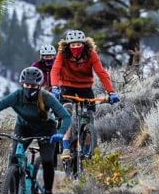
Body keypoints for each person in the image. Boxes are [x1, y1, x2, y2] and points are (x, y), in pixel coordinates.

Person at [0, 67, 71, 194]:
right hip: (24, 128)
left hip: (46, 129)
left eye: (33, 85)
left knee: (47, 161)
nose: (29, 88)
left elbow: (66, 116)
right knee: (14, 159)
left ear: (39, 85)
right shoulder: (17, 95)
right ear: (22, 84)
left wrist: (60, 133)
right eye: (27, 85)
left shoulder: (46, 97)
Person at [50, 29, 120, 161]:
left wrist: (111, 92)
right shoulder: (62, 53)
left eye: (78, 44)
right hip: (67, 86)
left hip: (85, 87)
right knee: (67, 113)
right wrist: (54, 86)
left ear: (84, 44)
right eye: (73, 45)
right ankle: (65, 146)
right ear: (68, 45)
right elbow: (55, 70)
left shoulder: (90, 53)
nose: (76, 47)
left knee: (89, 116)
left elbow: (101, 72)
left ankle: (87, 145)